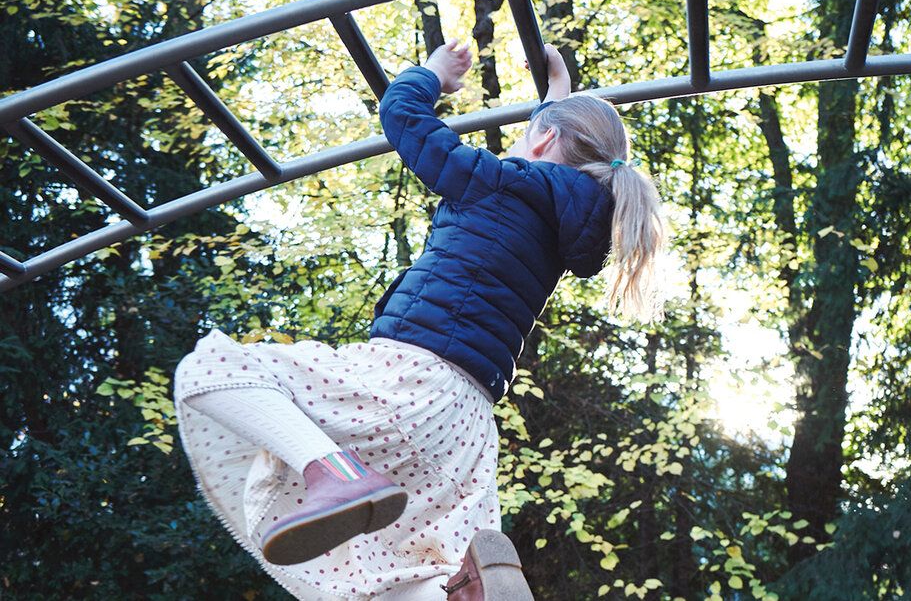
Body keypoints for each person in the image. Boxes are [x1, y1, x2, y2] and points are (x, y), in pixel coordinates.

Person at [172, 39, 664, 600]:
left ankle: (330, 471)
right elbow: (554, 160)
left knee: (210, 368)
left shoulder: (502, 183)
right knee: (414, 573)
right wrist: (556, 93)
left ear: (545, 139)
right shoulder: (576, 219)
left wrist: (433, 75)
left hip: (413, 379)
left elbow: (402, 117)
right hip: (466, 425)